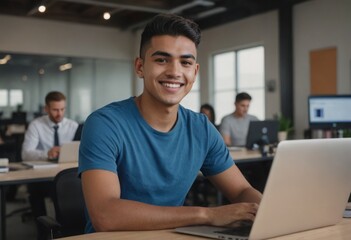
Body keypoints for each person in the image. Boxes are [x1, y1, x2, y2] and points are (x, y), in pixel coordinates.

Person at [78, 13, 261, 234]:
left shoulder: (201, 128)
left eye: (185, 62)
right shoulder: (105, 124)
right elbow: (106, 215)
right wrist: (208, 215)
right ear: (140, 67)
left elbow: (242, 190)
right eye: (161, 60)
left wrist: (263, 211)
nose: (175, 72)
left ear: (194, 72)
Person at [22, 91, 78, 240]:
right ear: (46, 109)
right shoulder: (36, 125)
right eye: (55, 110)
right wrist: (47, 153)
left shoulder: (73, 125)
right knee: (36, 192)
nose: (59, 113)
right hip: (42, 175)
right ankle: (43, 232)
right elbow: (26, 153)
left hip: (65, 173)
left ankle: (71, 231)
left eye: (62, 109)